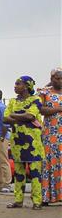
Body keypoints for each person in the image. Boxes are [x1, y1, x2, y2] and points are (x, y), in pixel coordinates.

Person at [4, 76, 45, 210]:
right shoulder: (12, 102)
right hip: (17, 141)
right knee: (19, 173)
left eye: (18, 84)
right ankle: (18, 200)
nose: (15, 86)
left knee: (35, 174)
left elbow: (31, 116)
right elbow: (5, 118)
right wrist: (22, 117)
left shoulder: (36, 100)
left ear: (27, 86)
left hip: (33, 143)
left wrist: (14, 116)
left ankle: (37, 201)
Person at [39, 68, 62, 204]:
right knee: (49, 164)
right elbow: (40, 109)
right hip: (50, 135)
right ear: (51, 78)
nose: (59, 81)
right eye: (57, 78)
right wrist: (57, 109)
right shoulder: (44, 92)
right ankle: (47, 197)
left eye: (61, 79)